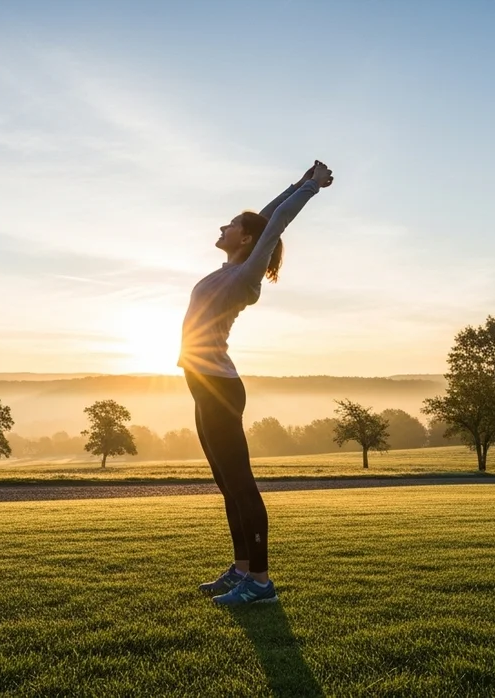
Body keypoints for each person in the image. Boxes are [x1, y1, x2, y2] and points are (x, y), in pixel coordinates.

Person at [179, 160, 334, 606]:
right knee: (227, 483)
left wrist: (311, 188)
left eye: (230, 224)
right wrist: (295, 182)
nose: (223, 226)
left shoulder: (245, 277)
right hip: (201, 385)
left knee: (241, 483)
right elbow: (266, 219)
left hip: (219, 388)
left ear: (245, 239)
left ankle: (261, 583)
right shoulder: (229, 267)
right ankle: (242, 568)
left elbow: (274, 224)